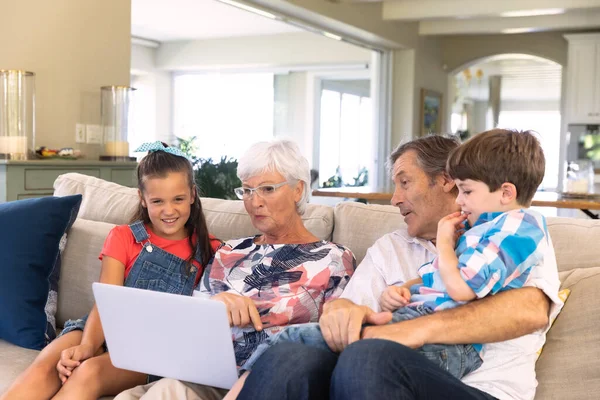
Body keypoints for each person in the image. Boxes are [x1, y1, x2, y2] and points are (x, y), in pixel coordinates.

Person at [236, 131, 564, 400]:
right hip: (387, 377)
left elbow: (528, 311)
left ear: (448, 181)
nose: (394, 198)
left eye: (404, 182)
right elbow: (348, 308)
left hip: (483, 388)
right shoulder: (390, 247)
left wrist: (404, 332)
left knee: (367, 356)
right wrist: (344, 313)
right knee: (292, 354)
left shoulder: (516, 232)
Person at [115, 138, 356, 400]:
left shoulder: (333, 258)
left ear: (298, 190)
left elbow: (334, 339)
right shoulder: (229, 251)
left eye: (267, 189)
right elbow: (188, 325)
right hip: (206, 375)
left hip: (269, 379)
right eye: (248, 191)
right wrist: (217, 302)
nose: (255, 202)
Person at [1, 142, 221, 400]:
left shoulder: (210, 250)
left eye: (178, 199)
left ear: (193, 195)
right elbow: (107, 303)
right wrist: (86, 346)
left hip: (149, 349)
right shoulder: (123, 237)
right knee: (44, 367)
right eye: (157, 201)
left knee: (88, 372)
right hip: (99, 328)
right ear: (142, 198)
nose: (169, 210)